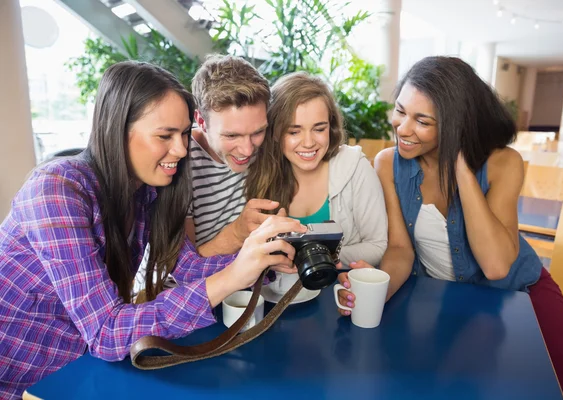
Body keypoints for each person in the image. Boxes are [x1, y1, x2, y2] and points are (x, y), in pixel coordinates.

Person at [0, 61, 303, 400]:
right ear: (117, 129)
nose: (182, 149)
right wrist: (233, 275)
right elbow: (107, 332)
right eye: (165, 136)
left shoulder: (147, 191)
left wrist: (260, 261)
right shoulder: (56, 190)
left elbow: (185, 268)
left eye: (185, 133)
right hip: (21, 382)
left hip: (79, 371)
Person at [336, 56, 563, 399]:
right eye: (400, 110)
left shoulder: (503, 163)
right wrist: (376, 294)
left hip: (522, 299)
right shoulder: (388, 164)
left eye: (422, 120)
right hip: (445, 302)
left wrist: (463, 170)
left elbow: (497, 267)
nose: (402, 128)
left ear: (455, 124)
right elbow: (400, 250)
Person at [246, 72, 387, 267]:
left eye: (319, 129)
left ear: (331, 127)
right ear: (275, 133)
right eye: (294, 131)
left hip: (338, 290)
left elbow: (377, 245)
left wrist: (309, 258)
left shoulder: (354, 165)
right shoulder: (258, 171)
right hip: (278, 294)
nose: (309, 142)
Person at [184, 54, 279, 256]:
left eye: (257, 132)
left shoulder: (266, 147)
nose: (247, 150)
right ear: (201, 121)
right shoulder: (179, 163)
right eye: (231, 135)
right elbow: (178, 272)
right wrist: (237, 233)